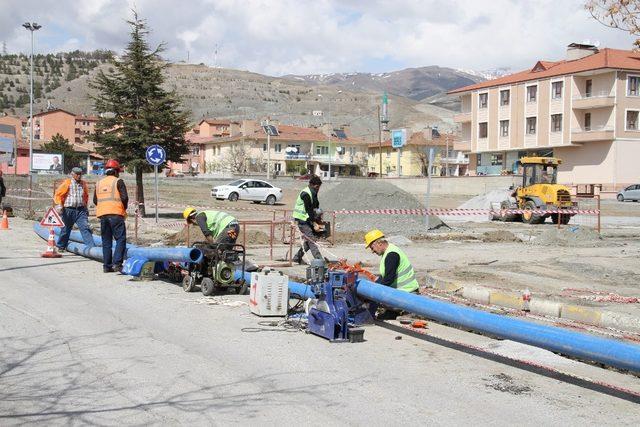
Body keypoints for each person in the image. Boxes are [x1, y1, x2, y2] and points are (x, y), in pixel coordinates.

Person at [93, 159, 128, 273]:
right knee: (120, 239)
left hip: (103, 215)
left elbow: (95, 200)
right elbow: (124, 198)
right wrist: (124, 208)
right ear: (116, 171)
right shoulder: (118, 181)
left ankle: (106, 266)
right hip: (116, 214)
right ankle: (117, 263)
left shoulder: (99, 183)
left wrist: (104, 207)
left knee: (106, 241)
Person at [364, 229, 419, 293]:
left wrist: (374, 291)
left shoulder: (392, 255)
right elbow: (385, 276)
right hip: (403, 291)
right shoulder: (387, 252)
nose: (372, 251)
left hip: (407, 293)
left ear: (379, 243)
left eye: (372, 248)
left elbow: (388, 280)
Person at [54, 167, 94, 251]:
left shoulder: (83, 184)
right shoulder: (67, 183)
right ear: (73, 174)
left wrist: (86, 208)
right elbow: (58, 194)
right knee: (65, 229)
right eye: (77, 174)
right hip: (68, 210)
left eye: (80, 174)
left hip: (80, 210)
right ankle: (61, 246)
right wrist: (59, 205)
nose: (79, 176)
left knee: (85, 227)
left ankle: (92, 248)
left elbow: (85, 196)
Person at [291, 174, 324, 263]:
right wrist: (314, 223)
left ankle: (297, 258)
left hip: (308, 219)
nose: (318, 189)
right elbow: (309, 210)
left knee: (310, 240)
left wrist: (318, 218)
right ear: (314, 185)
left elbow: (316, 206)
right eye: (317, 187)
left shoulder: (313, 193)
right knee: (311, 240)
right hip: (302, 220)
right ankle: (319, 260)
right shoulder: (306, 194)